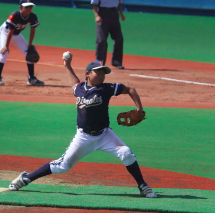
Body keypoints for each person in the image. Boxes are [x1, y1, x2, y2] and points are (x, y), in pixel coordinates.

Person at [8, 52, 157, 198]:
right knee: (61, 166)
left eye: (103, 73)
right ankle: (25, 178)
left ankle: (143, 185)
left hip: (105, 135)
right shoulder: (79, 88)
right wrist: (67, 65)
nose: (102, 75)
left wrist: (140, 109)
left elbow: (130, 89)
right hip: (83, 137)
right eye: (98, 72)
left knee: (126, 153)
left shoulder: (107, 88)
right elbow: (74, 82)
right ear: (88, 73)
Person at [0, 0, 44, 86]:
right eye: (26, 7)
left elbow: (32, 31)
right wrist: (6, 46)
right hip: (5, 33)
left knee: (29, 54)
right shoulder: (15, 15)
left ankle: (31, 78)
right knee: (4, 53)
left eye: (30, 7)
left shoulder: (32, 16)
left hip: (17, 34)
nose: (29, 9)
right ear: (21, 7)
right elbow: (10, 31)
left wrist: (30, 44)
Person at [91, 0, 126, 69]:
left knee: (119, 38)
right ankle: (99, 62)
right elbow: (94, 4)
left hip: (114, 13)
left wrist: (121, 14)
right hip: (102, 13)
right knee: (101, 40)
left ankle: (117, 62)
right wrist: (96, 15)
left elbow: (120, 4)